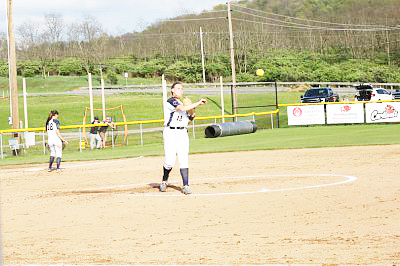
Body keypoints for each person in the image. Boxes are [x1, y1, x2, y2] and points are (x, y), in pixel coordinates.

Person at [160, 81, 207, 194]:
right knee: (170, 162)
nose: (180, 90)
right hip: (170, 133)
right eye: (178, 88)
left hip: (182, 133)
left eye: (182, 89)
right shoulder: (171, 101)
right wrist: (198, 103)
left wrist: (192, 111)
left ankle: (186, 185)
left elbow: (189, 119)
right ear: (172, 90)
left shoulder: (183, 104)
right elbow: (181, 109)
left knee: (184, 159)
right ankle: (164, 180)